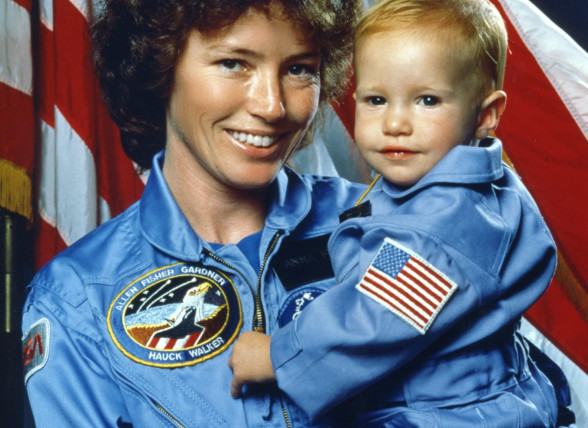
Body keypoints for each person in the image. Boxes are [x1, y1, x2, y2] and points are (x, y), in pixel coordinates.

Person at [229, 0, 573, 426]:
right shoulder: (461, 190)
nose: (395, 123)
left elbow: (379, 319)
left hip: (444, 414)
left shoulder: (442, 227)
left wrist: (276, 355)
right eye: (376, 100)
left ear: (485, 115)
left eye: (426, 101)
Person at [20, 0, 365, 427]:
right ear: (159, 66)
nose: (272, 106)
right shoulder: (79, 296)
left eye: (298, 69)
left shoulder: (385, 223)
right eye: (234, 63)